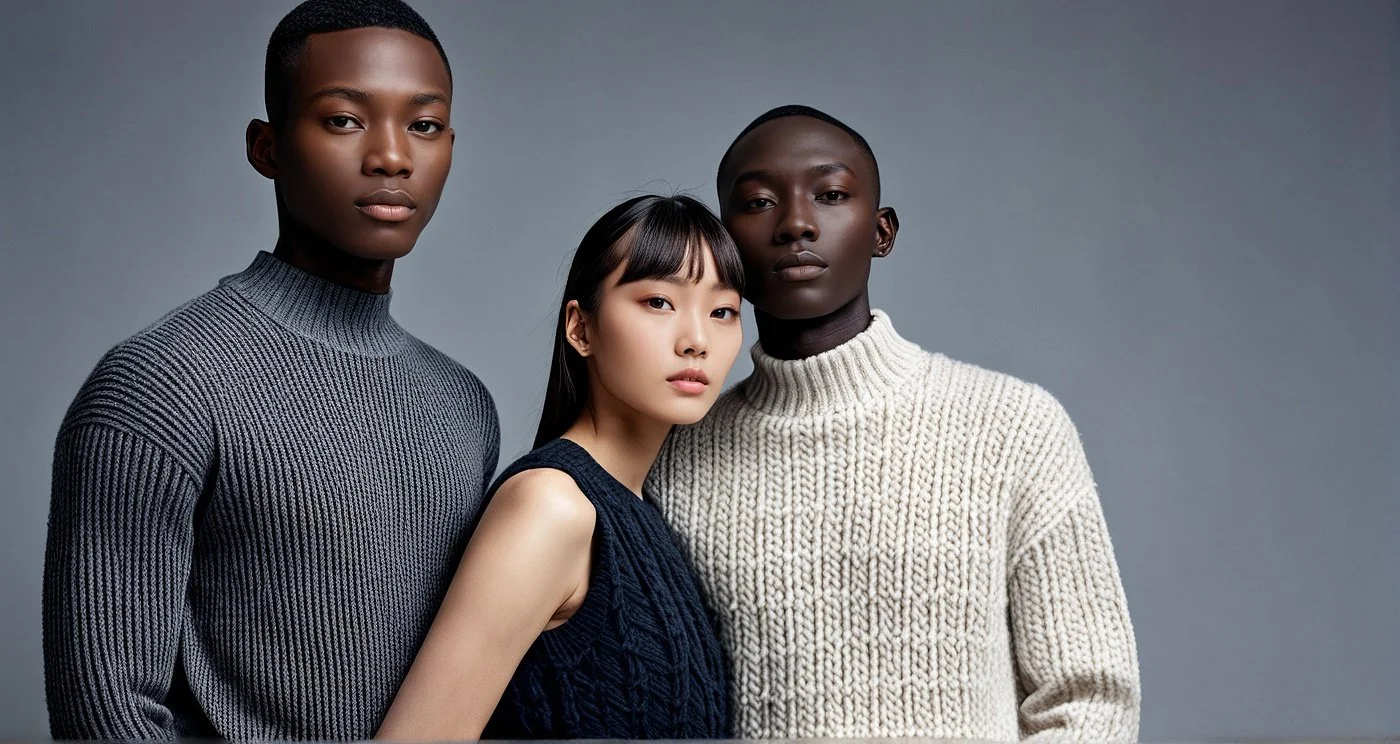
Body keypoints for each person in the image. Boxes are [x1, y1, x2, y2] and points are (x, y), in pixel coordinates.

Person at [41, 1, 499, 739]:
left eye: (423, 125)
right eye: (344, 120)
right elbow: (107, 714)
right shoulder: (158, 385)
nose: (392, 156)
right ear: (268, 147)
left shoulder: (463, 405)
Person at [648, 105, 1141, 742]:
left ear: (882, 232)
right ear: (725, 247)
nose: (796, 223)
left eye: (830, 195)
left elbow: (1092, 698)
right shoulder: (674, 459)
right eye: (760, 202)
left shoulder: (1015, 428)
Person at [376, 194, 742, 740]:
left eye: (723, 312)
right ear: (581, 329)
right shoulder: (551, 505)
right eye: (659, 302)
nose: (697, 341)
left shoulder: (648, 514)